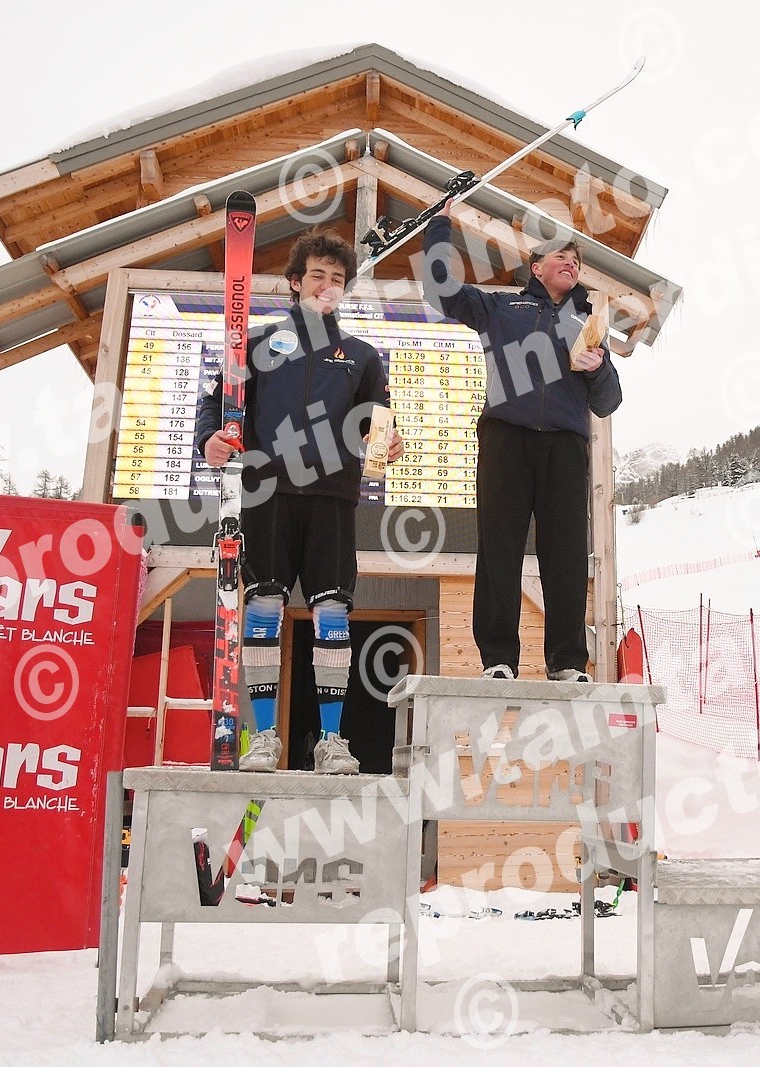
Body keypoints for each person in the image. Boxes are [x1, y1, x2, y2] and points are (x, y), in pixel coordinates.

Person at [195, 230, 403, 774]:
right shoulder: (256, 343)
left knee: (332, 611)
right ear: (294, 282)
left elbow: (378, 423)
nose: (327, 285)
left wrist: (389, 442)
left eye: (337, 279)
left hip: (333, 497)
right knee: (264, 606)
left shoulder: (362, 357)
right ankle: (264, 737)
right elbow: (216, 403)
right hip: (266, 493)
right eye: (317, 275)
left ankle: (331, 741)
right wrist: (210, 439)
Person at [422, 205, 621, 682]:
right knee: (499, 549)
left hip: (565, 446)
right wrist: (439, 226)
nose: (571, 263)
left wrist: (599, 368)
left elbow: (609, 401)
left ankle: (567, 662)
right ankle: (498, 659)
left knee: (566, 554)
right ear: (536, 267)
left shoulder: (588, 323)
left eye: (576, 260)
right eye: (561, 256)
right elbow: (440, 289)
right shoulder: (502, 309)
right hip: (505, 439)